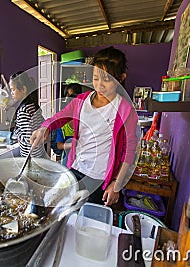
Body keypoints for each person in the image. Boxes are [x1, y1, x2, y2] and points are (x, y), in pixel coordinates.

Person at [30, 46, 139, 206]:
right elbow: (59, 117)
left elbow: (129, 152)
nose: (100, 85)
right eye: (96, 78)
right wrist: (45, 127)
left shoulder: (125, 110)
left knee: (89, 220)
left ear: (121, 78)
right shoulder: (81, 101)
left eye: (107, 79)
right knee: (66, 212)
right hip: (75, 168)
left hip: (100, 178)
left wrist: (116, 184)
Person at [10, 71, 45, 157]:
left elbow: (29, 139)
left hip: (30, 156)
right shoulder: (32, 105)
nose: (12, 93)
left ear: (23, 89)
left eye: (13, 89)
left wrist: (16, 130)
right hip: (38, 152)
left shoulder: (23, 111)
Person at [55, 83, 82, 166]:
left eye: (71, 96)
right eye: (67, 96)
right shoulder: (63, 125)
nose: (67, 99)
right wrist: (72, 145)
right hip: (67, 162)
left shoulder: (84, 123)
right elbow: (59, 145)